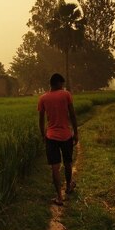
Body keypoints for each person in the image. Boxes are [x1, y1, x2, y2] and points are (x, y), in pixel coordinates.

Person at [38, 73, 78, 206]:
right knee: (67, 163)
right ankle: (68, 187)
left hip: (51, 136)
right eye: (62, 84)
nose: (62, 86)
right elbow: (72, 114)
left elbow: (41, 119)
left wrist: (43, 134)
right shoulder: (66, 94)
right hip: (66, 135)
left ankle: (59, 198)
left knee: (55, 168)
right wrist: (76, 133)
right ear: (57, 83)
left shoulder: (43, 98)